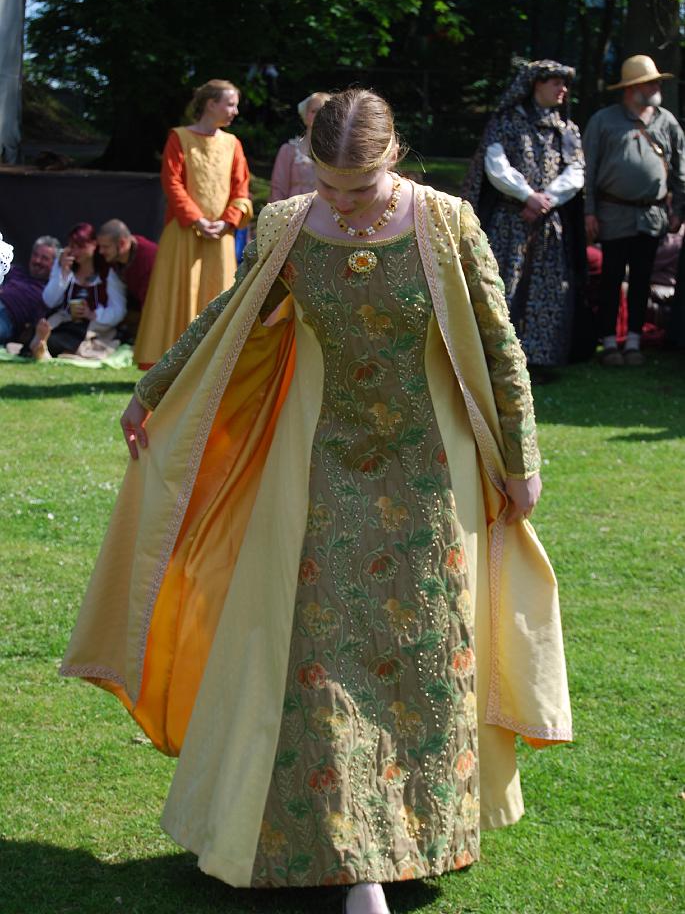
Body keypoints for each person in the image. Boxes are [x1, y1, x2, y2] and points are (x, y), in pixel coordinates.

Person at [61, 89, 572, 914]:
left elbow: (496, 342)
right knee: (319, 657)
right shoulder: (289, 223)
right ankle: (352, 861)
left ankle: (414, 836)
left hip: (427, 474)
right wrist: (154, 389)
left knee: (421, 653)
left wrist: (522, 457)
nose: (340, 201)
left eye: (358, 187)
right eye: (329, 184)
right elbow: (234, 312)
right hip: (319, 474)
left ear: (394, 157)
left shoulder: (447, 221)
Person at [463, 59, 585, 379]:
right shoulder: (506, 122)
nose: (563, 90)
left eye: (564, 83)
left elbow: (575, 171)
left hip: (548, 224)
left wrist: (546, 200)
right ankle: (499, 357)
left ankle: (541, 360)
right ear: (536, 85)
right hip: (509, 221)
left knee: (548, 289)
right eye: (556, 83)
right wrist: (527, 196)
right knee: (504, 284)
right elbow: (495, 164)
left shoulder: (567, 129)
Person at [134, 79, 253, 367]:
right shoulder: (179, 137)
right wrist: (197, 219)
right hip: (185, 233)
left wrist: (227, 222)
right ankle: (169, 364)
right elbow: (172, 183)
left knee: (217, 295)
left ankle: (212, 364)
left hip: (220, 238)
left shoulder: (233, 144)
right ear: (211, 104)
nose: (235, 111)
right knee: (178, 294)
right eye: (230, 103)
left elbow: (241, 188)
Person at [583, 54, 685, 365]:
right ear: (632, 88)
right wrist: (589, 211)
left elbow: (681, 170)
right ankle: (610, 340)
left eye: (656, 81)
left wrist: (679, 209)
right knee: (612, 278)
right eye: (650, 82)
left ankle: (635, 342)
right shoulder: (603, 121)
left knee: (642, 278)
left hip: (653, 215)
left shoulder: (667, 122)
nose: (656, 86)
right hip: (613, 213)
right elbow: (587, 169)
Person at [31, 222, 126, 360]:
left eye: (81, 247)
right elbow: (49, 301)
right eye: (72, 247)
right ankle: (43, 346)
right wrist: (63, 273)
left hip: (92, 327)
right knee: (43, 337)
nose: (75, 252)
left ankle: (45, 349)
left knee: (60, 341)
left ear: (94, 245)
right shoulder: (65, 266)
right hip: (65, 323)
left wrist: (93, 314)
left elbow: (119, 310)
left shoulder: (107, 273)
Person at [269, 92, 331, 200]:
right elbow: (278, 190)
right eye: (313, 111)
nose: (318, 115)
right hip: (294, 213)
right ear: (305, 115)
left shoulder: (338, 152)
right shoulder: (288, 150)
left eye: (323, 111)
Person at [0, 235, 59, 345]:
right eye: (35, 255)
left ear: (54, 263)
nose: (37, 261)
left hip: (8, 319)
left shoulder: (51, 291)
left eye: (44, 258)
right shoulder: (16, 271)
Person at [96, 219, 158, 309]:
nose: (101, 251)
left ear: (122, 243)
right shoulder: (113, 254)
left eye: (105, 247)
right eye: (100, 246)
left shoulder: (148, 260)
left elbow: (153, 307)